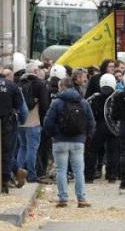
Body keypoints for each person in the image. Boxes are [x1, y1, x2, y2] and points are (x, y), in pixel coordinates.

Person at [43, 76, 95, 208]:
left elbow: (47, 122)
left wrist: (53, 135)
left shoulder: (56, 102)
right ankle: (81, 199)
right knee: (78, 170)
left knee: (61, 170)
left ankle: (63, 199)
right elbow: (91, 123)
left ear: (62, 87)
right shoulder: (83, 102)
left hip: (60, 141)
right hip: (78, 141)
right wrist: (85, 137)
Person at [0, 58, 27, 193]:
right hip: (7, 125)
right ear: (1, 69)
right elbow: (20, 106)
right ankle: (4, 183)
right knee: (6, 153)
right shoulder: (11, 86)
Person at [17, 63, 49, 183]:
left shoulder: (19, 83)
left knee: (23, 147)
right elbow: (45, 105)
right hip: (34, 121)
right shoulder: (40, 84)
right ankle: (31, 174)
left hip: (20, 121)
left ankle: (17, 170)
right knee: (33, 148)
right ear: (35, 71)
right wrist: (43, 121)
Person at [86, 72, 119, 183]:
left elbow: (88, 110)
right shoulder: (117, 97)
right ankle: (112, 176)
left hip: (98, 127)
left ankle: (89, 176)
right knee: (113, 152)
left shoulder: (95, 97)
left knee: (93, 151)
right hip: (113, 127)